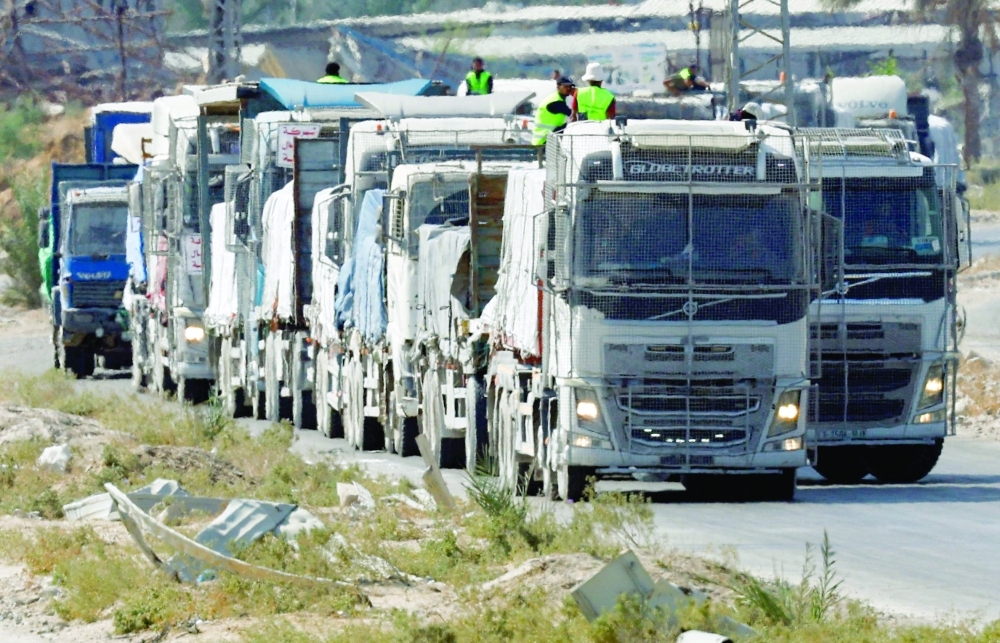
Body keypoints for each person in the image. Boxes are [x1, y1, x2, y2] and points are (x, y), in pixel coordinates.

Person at [532, 76, 575, 146]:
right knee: (570, 126)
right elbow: (573, 114)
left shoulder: (558, 99)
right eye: (565, 86)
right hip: (544, 141)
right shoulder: (556, 101)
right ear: (558, 87)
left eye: (570, 86)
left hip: (547, 139)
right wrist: (576, 95)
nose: (568, 88)